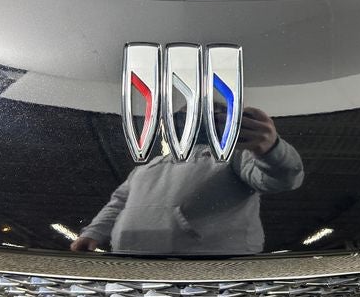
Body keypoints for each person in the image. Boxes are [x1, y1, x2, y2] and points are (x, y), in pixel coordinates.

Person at [71, 107, 304, 255]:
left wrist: (271, 149)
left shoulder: (235, 156)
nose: (195, 121)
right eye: (185, 116)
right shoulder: (149, 165)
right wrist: (92, 234)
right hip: (132, 262)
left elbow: (280, 179)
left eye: (213, 115)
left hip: (213, 271)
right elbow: (118, 203)